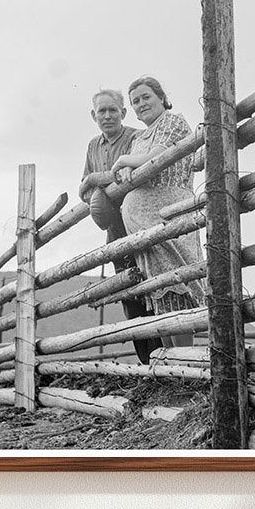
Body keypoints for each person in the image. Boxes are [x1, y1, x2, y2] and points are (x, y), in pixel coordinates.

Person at [112, 76, 205, 348]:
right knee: (159, 292)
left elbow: (154, 159)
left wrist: (123, 161)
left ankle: (186, 362)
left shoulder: (173, 122)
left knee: (179, 286)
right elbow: (135, 171)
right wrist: (129, 165)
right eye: (135, 101)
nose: (141, 104)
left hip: (170, 214)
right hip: (143, 225)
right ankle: (171, 364)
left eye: (146, 97)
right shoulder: (139, 138)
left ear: (161, 97)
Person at [79, 88, 161, 365]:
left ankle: (166, 356)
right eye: (101, 111)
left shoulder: (135, 137)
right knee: (129, 292)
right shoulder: (92, 146)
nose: (107, 115)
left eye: (112, 109)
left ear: (123, 113)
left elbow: (129, 177)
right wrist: (97, 190)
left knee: (153, 285)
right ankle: (146, 362)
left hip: (138, 221)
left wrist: (95, 179)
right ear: (93, 116)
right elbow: (83, 190)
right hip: (114, 230)